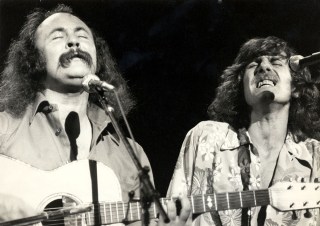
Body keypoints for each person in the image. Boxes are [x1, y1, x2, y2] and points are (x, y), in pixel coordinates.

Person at [0, 4, 190, 225]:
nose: (74, 42)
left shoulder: (131, 155)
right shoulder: (5, 128)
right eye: (57, 37)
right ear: (32, 60)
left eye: (82, 36)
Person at [167, 36, 320, 226]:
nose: (263, 67)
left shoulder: (315, 156)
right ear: (241, 88)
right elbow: (173, 216)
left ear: (296, 87)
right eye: (253, 64)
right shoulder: (207, 138)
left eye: (275, 62)